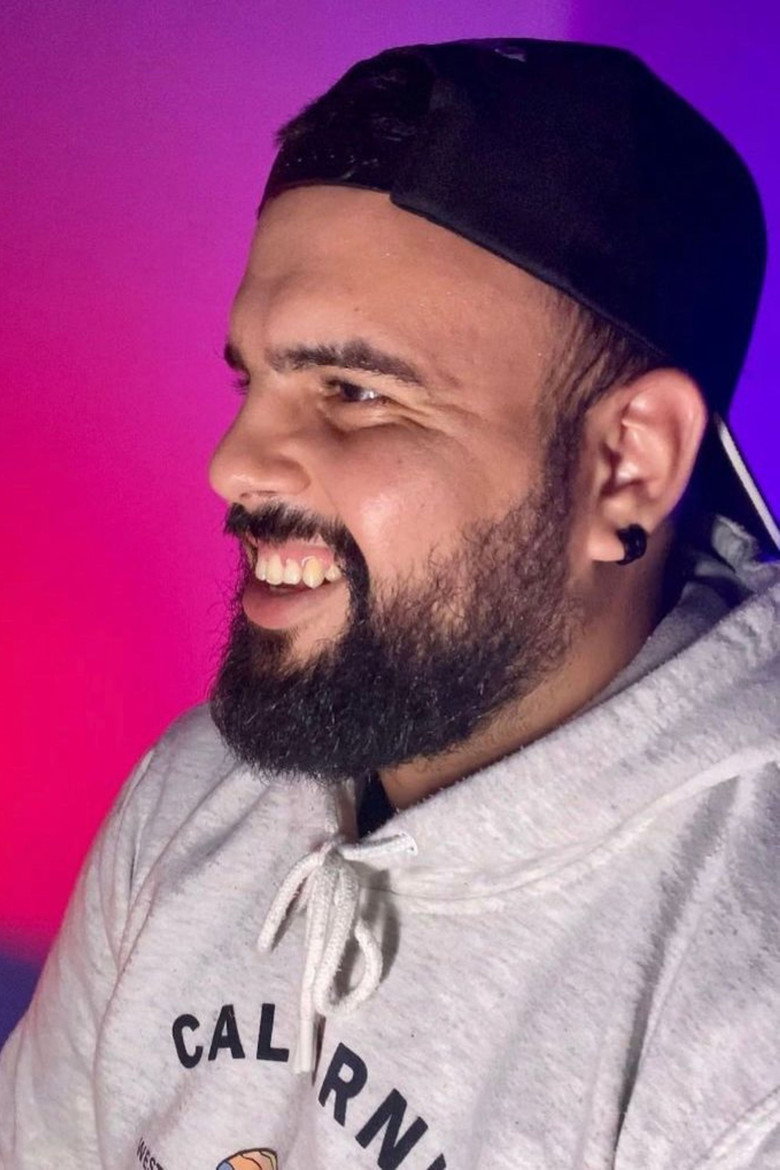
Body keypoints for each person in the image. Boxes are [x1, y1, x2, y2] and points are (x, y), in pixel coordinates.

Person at [1, 36, 778, 1170]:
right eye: (251, 379)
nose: (232, 465)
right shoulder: (194, 796)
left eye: (355, 392)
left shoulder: (748, 1020)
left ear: (628, 464)